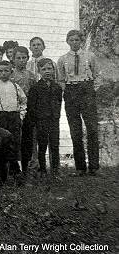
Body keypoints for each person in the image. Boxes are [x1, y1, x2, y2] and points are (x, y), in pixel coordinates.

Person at [57, 29, 99, 176]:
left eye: (77, 40)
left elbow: (96, 75)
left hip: (87, 91)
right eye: (71, 40)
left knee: (92, 129)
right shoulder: (62, 59)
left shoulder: (90, 56)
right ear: (67, 41)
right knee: (75, 130)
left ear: (81, 41)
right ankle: (80, 167)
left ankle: (93, 166)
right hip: (71, 92)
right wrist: (67, 90)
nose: (74, 43)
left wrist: (91, 90)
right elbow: (61, 79)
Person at [27, 58, 63, 178]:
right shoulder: (35, 88)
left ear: (53, 70)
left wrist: (56, 116)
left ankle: (55, 171)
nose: (47, 71)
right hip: (41, 121)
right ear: (39, 71)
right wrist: (37, 119)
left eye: (49, 68)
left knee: (55, 145)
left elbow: (58, 103)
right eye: (44, 69)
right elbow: (32, 107)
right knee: (42, 145)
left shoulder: (57, 87)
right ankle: (42, 170)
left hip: (54, 120)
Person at [0, 61, 27, 162]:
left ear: (11, 72)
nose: (3, 73)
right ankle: (1, 168)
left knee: (15, 143)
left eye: (6, 71)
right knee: (0, 142)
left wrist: (21, 115)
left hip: (14, 117)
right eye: (1, 71)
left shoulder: (15, 86)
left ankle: (16, 170)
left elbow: (23, 101)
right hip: (0, 117)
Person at [11, 46, 37, 174]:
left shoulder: (31, 76)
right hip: (14, 110)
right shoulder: (10, 75)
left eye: (24, 58)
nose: (21, 60)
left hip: (29, 111)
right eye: (18, 58)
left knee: (27, 139)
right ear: (13, 59)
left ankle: (27, 167)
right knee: (15, 139)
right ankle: (14, 167)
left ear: (27, 58)